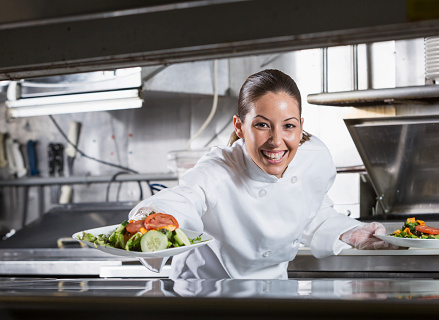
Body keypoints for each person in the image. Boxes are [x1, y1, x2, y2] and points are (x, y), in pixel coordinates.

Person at [129, 69, 397, 280]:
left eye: (288, 126)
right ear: (240, 126)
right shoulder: (218, 169)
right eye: (262, 125)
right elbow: (184, 200)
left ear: (301, 125)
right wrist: (149, 218)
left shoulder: (313, 158)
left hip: (272, 306)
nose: (276, 141)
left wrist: (348, 232)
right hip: (208, 311)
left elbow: (311, 210)